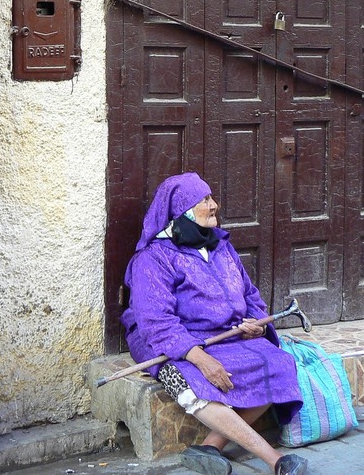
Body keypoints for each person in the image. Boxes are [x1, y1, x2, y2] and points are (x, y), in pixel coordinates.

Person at [121, 173, 308, 475]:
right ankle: (275, 461)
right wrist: (201, 359)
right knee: (190, 380)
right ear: (182, 212)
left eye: (211, 198)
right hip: (174, 344)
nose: (215, 205)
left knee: (280, 364)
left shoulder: (221, 246)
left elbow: (249, 295)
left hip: (227, 335)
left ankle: (210, 447)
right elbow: (157, 323)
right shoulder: (153, 259)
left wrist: (258, 324)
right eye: (205, 200)